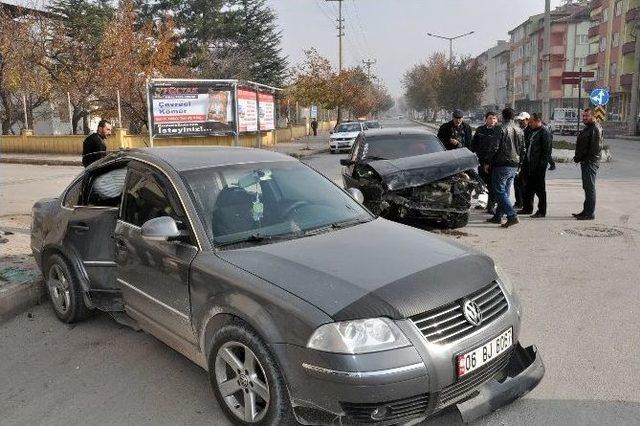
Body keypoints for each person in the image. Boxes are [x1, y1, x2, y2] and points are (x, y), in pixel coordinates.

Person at [486, 107, 524, 228]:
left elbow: (494, 147)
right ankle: (498, 215)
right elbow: (523, 149)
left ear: (503, 116)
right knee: (505, 191)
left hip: (502, 163)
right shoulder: (519, 129)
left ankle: (512, 216)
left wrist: (487, 161)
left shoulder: (500, 128)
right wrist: (520, 164)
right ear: (513, 117)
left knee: (499, 191)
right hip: (514, 164)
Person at [520, 113, 552, 218]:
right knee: (528, 188)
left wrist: (541, 167)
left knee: (540, 189)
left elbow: (546, 152)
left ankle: (542, 211)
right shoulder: (532, 131)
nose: (529, 124)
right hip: (529, 164)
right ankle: (527, 208)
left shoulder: (544, 132)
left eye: (531, 122)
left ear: (538, 121)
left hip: (538, 167)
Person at [573, 108, 602, 220]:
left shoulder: (595, 128)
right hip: (586, 161)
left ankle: (589, 214)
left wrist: (581, 158)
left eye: (587, 116)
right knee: (587, 187)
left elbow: (594, 149)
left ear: (593, 116)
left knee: (590, 188)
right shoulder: (589, 128)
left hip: (590, 162)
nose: (584, 118)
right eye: (583, 116)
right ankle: (586, 211)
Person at [471, 111, 499, 214]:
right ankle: (482, 203)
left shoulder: (498, 130)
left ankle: (490, 206)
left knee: (492, 185)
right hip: (482, 162)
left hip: (493, 163)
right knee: (481, 184)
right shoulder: (480, 130)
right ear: (486, 119)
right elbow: (474, 145)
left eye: (494, 118)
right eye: (490, 118)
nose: (492, 121)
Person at [513, 112, 530, 209]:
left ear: (527, 120)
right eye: (519, 120)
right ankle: (518, 201)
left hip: (525, 161)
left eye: (522, 120)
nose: (520, 122)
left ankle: (522, 202)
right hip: (517, 159)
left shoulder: (529, 131)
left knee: (523, 183)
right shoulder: (519, 130)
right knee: (517, 182)